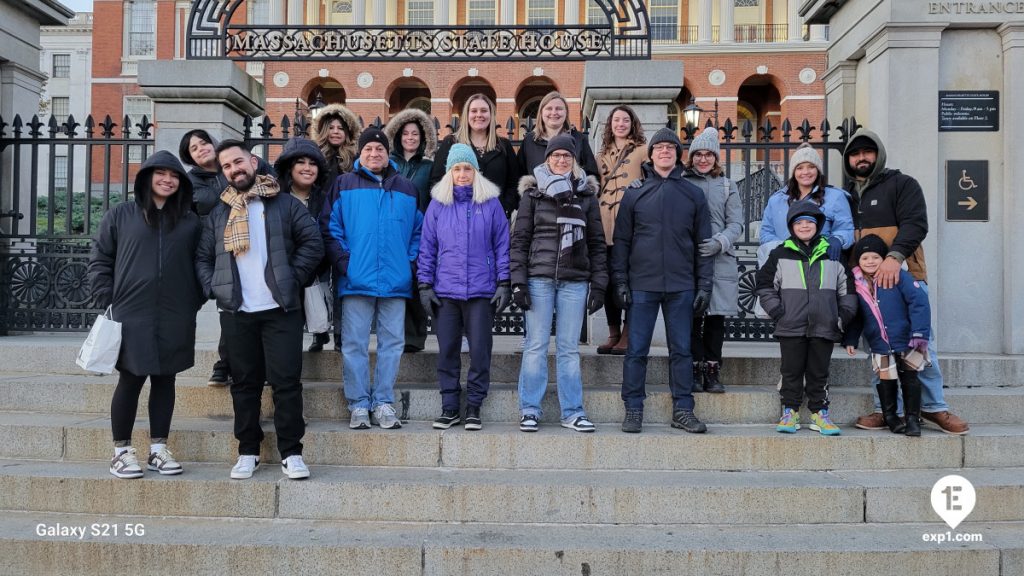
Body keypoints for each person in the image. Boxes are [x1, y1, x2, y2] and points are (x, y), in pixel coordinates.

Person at [196, 140, 323, 481]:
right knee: (245, 384)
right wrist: (215, 286)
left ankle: (292, 452)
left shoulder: (284, 204)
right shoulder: (220, 212)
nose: (234, 170)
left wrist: (292, 279)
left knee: (286, 383)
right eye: (226, 167)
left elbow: (313, 243)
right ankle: (248, 450)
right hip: (238, 313)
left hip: (281, 310)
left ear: (252, 162)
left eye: (238, 162)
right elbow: (203, 257)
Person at [843, 129, 968, 434]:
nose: (862, 158)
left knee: (920, 344)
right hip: (870, 285)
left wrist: (894, 257)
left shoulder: (902, 184)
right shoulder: (848, 196)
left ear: (878, 154)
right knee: (880, 346)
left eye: (867, 152)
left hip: (904, 276)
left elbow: (916, 224)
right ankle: (887, 410)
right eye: (855, 154)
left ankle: (934, 407)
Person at [89, 150, 203, 479]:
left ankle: (158, 449)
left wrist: (194, 299)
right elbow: (100, 259)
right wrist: (106, 298)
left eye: (174, 175)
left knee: (166, 379)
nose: (167, 180)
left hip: (176, 313)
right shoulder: (121, 215)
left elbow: (200, 264)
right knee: (131, 379)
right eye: (160, 173)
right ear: (147, 177)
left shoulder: (190, 221)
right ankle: (121, 451)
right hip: (130, 312)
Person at [613, 128, 712, 435]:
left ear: (678, 155)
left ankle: (683, 409)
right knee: (637, 350)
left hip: (682, 285)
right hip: (643, 284)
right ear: (652, 154)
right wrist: (621, 281)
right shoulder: (634, 193)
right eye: (660, 148)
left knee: (682, 350)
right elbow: (622, 241)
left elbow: (703, 243)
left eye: (671, 148)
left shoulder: (694, 194)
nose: (665, 152)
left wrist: (704, 285)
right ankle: (633, 408)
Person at [326, 127, 422, 430]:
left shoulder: (406, 188)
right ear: (360, 153)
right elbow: (331, 228)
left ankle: (383, 402)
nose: (374, 153)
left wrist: (409, 264)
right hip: (356, 280)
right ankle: (358, 404)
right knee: (354, 344)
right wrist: (345, 263)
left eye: (379, 149)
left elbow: (418, 232)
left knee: (392, 344)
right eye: (368, 149)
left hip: (396, 282)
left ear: (387, 153)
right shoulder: (343, 184)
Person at [511, 134, 606, 433]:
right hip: (538, 278)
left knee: (567, 348)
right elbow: (520, 240)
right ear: (547, 159)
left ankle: (573, 411)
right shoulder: (533, 195)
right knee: (535, 346)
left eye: (567, 156)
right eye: (556, 155)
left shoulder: (587, 196)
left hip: (574, 280)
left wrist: (600, 283)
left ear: (574, 160)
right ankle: (530, 409)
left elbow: (597, 242)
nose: (562, 160)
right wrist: (518, 282)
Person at [418, 144, 511, 431]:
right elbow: (427, 248)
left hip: (481, 292)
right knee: (447, 350)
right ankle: (449, 407)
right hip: (446, 292)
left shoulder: (491, 203)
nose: (462, 174)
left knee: (480, 350)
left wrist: (503, 282)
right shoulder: (437, 205)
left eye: (467, 168)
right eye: (456, 169)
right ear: (449, 172)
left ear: (475, 171)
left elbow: (502, 246)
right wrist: (424, 284)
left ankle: (473, 405)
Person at [178, 129, 275, 387]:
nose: (200, 149)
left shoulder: (238, 167)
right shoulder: (190, 183)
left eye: (203, 142)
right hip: (218, 249)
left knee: (253, 309)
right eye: (193, 148)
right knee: (229, 311)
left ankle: (251, 365)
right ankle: (225, 364)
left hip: (252, 242)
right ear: (189, 157)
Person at [755, 201, 857, 436]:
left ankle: (819, 412)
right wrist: (778, 312)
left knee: (819, 371)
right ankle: (789, 410)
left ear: (818, 225)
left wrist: (841, 318)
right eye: (798, 222)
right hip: (791, 325)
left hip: (824, 325)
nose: (804, 226)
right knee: (791, 370)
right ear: (791, 226)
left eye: (809, 222)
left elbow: (848, 289)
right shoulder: (780, 253)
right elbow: (764, 285)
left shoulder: (833, 254)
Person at [843, 235, 930, 436]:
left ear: (884, 258)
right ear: (859, 261)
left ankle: (912, 418)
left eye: (875, 257)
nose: (870, 262)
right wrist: (851, 339)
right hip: (880, 342)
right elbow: (857, 316)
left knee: (910, 378)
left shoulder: (899, 276)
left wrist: (919, 332)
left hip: (909, 339)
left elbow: (919, 303)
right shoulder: (857, 285)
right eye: (865, 258)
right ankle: (890, 416)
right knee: (886, 378)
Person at [683, 127, 742, 393]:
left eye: (708, 155)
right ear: (691, 157)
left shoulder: (728, 185)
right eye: (698, 154)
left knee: (716, 318)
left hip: (720, 260)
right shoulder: (683, 181)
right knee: (693, 316)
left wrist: (720, 242)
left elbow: (736, 223)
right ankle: (694, 368)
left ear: (716, 158)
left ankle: (712, 369)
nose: (703, 159)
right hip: (691, 259)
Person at [594, 105, 647, 356]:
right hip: (604, 226)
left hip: (631, 227)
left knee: (628, 280)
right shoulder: (600, 154)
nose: (621, 124)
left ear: (632, 123)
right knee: (606, 283)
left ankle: (628, 331)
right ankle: (613, 331)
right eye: (616, 120)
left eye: (626, 120)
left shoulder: (643, 151)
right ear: (610, 124)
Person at [385, 108, 438, 354]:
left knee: (417, 282)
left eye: (415, 133)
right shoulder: (389, 163)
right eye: (405, 133)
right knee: (396, 283)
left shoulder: (429, 165)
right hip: (393, 229)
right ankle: (394, 334)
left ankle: (415, 337)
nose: (410, 138)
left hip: (420, 229)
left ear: (422, 137)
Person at [273, 137, 332, 352]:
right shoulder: (275, 197)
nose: (307, 168)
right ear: (290, 166)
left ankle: (320, 332)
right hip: (283, 268)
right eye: (301, 162)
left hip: (315, 265)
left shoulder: (325, 198)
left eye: (313, 163)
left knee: (316, 302)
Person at [429, 93, 521, 220]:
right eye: (474, 111)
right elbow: (437, 180)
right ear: (467, 115)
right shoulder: (451, 142)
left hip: (495, 219)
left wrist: (505, 208)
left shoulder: (504, 146)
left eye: (484, 110)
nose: (479, 115)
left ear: (491, 115)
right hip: (458, 218)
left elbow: (513, 184)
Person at [759, 142, 854, 262]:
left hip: (821, 262)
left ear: (818, 170)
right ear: (793, 171)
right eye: (799, 168)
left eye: (811, 166)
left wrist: (838, 239)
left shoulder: (836, 197)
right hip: (785, 264)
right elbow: (766, 233)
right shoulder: (776, 200)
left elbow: (845, 229)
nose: (805, 172)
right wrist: (783, 248)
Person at [516, 91, 599, 179]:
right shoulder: (529, 140)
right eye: (549, 108)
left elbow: (591, 174)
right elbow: (518, 175)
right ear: (541, 113)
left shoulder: (578, 139)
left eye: (559, 108)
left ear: (566, 112)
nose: (554, 112)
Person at [312, 104, 362, 185]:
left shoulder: (356, 159)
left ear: (348, 133)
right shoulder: (315, 155)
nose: (335, 132)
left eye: (341, 128)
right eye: (331, 128)